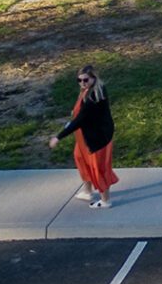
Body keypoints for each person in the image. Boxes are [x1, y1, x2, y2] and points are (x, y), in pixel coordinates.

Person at [50, 66, 117, 207]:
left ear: (93, 78)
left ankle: (105, 201)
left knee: (99, 167)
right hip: (85, 135)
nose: (82, 83)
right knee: (80, 158)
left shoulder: (95, 96)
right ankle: (87, 191)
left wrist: (59, 137)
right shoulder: (86, 91)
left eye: (85, 80)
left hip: (98, 138)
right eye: (79, 80)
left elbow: (80, 119)